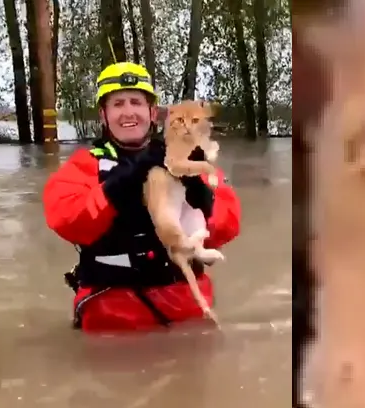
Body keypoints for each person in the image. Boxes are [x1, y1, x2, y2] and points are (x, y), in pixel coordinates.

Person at [42, 62, 241, 332]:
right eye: (117, 104)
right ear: (103, 115)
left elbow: (228, 226)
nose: (128, 112)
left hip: (187, 307)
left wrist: (199, 194)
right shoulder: (83, 166)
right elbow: (67, 220)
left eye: (136, 102)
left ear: (151, 112)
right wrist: (121, 183)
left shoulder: (187, 156)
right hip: (111, 309)